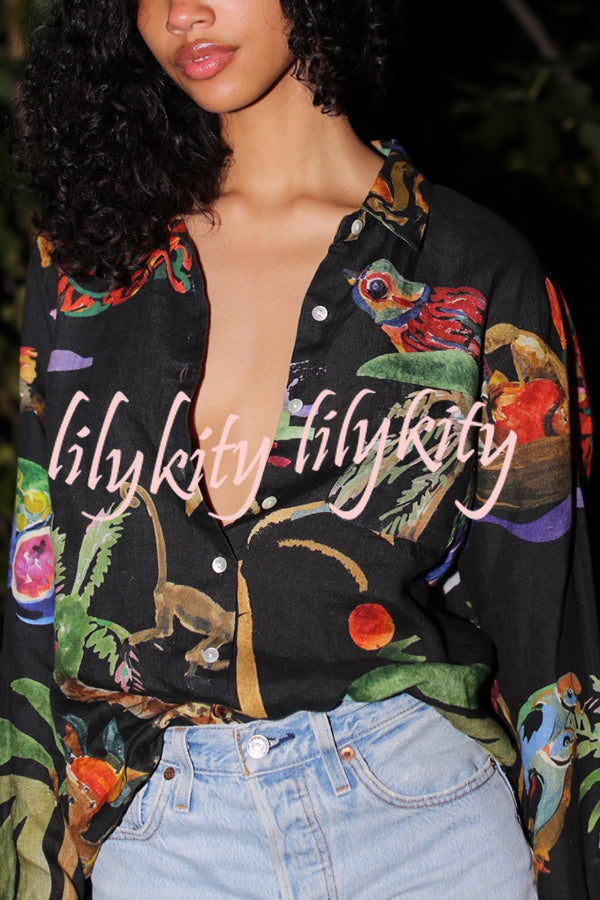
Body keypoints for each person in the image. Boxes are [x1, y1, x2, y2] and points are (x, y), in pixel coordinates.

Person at [1, 0, 599, 897]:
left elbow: (546, 618)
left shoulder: (471, 267)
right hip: (167, 836)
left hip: (426, 825)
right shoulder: (90, 268)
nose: (183, 12)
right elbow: (38, 593)